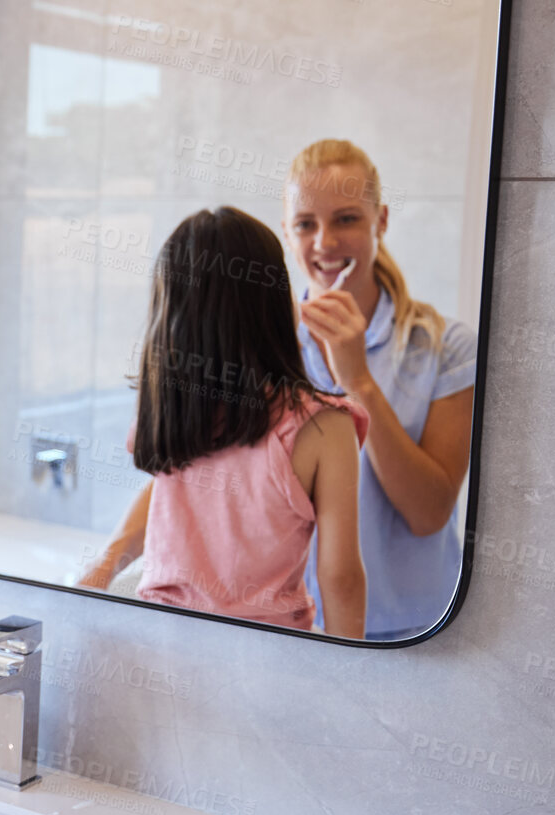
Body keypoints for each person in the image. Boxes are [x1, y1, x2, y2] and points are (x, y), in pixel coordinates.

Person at [79, 207, 369, 636]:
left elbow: (171, 484)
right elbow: (340, 578)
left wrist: (95, 575)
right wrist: (352, 680)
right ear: (270, 305)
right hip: (265, 657)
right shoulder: (324, 428)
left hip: (162, 640)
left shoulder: (175, 409)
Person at [287, 139, 477, 639]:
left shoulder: (445, 347)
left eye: (346, 219)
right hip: (289, 630)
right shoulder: (268, 346)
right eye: (306, 223)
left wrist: (359, 383)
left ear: (382, 221)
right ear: (289, 231)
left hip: (408, 634)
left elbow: (429, 514)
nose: (324, 242)